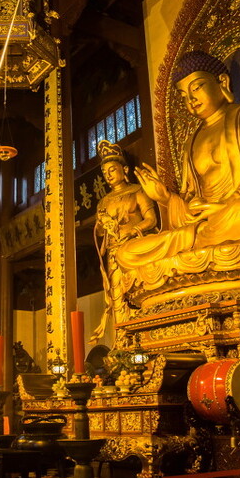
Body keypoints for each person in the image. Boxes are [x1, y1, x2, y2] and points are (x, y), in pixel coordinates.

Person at [118, 50, 240, 291]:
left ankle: (205, 243)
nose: (190, 99)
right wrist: (165, 198)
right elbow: (192, 205)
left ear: (222, 82)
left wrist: (228, 204)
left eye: (197, 87)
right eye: (184, 95)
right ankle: (204, 244)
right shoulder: (191, 141)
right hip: (205, 227)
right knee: (126, 253)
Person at [89, 139, 158, 344]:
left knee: (139, 291)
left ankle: (144, 339)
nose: (108, 175)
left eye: (112, 169)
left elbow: (151, 219)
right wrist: (102, 224)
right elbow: (100, 232)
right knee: (117, 297)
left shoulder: (137, 191)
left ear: (124, 169)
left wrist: (134, 230)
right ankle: (123, 342)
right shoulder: (104, 201)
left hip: (136, 248)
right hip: (114, 252)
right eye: (105, 172)